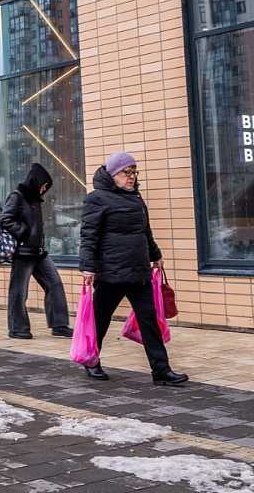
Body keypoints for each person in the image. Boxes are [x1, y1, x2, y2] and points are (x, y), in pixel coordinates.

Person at [80, 152, 188, 386]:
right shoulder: (96, 199)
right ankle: (91, 360)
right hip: (111, 273)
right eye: (125, 172)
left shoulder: (136, 198)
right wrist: (87, 267)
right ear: (112, 175)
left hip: (139, 272)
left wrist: (156, 255)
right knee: (100, 320)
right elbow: (88, 236)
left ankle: (161, 371)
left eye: (133, 172)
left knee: (150, 321)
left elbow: (145, 232)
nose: (131, 177)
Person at [0, 163, 72, 340]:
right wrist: (23, 232)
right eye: (44, 185)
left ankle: (59, 325)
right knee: (19, 291)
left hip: (39, 252)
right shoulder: (17, 196)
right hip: (23, 253)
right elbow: (5, 219)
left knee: (54, 283)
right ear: (36, 181)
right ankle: (17, 328)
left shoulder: (35, 199)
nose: (44, 189)